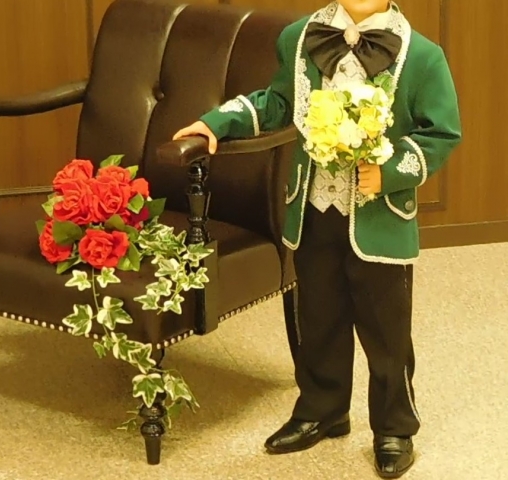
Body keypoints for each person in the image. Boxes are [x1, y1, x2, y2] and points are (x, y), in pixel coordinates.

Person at [172, 0, 462, 478]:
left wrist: (389, 171)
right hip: (312, 207)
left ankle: (394, 427)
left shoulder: (423, 55)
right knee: (319, 315)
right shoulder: (299, 37)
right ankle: (322, 410)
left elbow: (442, 134)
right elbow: (278, 102)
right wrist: (217, 123)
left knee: (385, 330)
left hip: (378, 218)